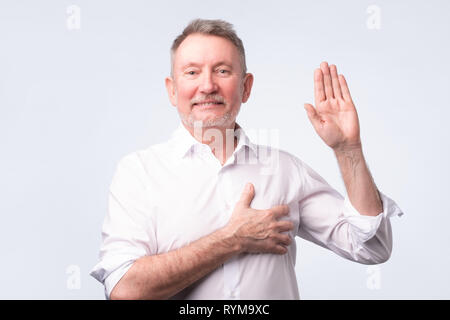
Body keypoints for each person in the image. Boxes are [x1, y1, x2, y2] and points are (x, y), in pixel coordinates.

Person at [90, 18, 403, 300]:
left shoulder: (285, 170)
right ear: (172, 90)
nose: (208, 85)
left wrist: (348, 151)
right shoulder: (139, 173)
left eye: (222, 70)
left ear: (246, 86)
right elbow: (125, 290)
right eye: (192, 72)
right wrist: (231, 239)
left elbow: (371, 247)